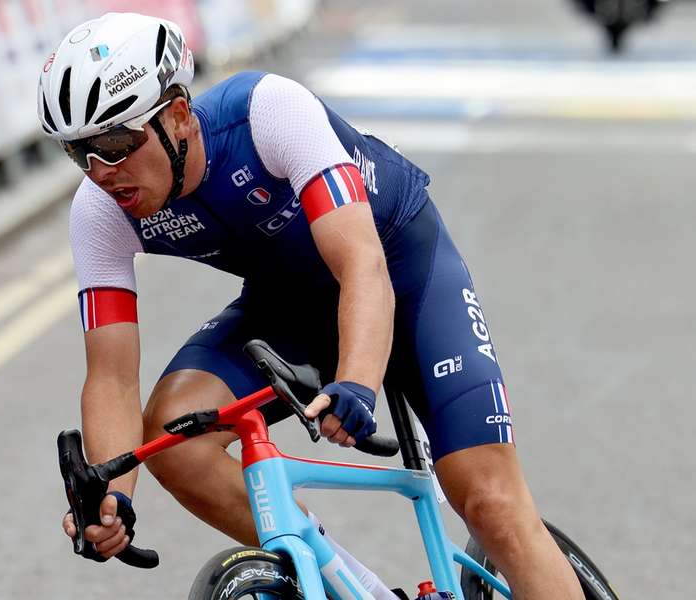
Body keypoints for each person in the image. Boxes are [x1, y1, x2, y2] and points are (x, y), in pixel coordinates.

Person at [40, 12, 584, 600]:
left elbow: (363, 265)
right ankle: (358, 588)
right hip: (290, 305)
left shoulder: (268, 113)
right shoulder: (99, 211)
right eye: (81, 154)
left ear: (177, 116)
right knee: (175, 435)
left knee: (489, 501)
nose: (102, 172)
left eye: (117, 144)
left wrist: (357, 382)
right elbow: (113, 376)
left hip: (399, 270)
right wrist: (112, 493)